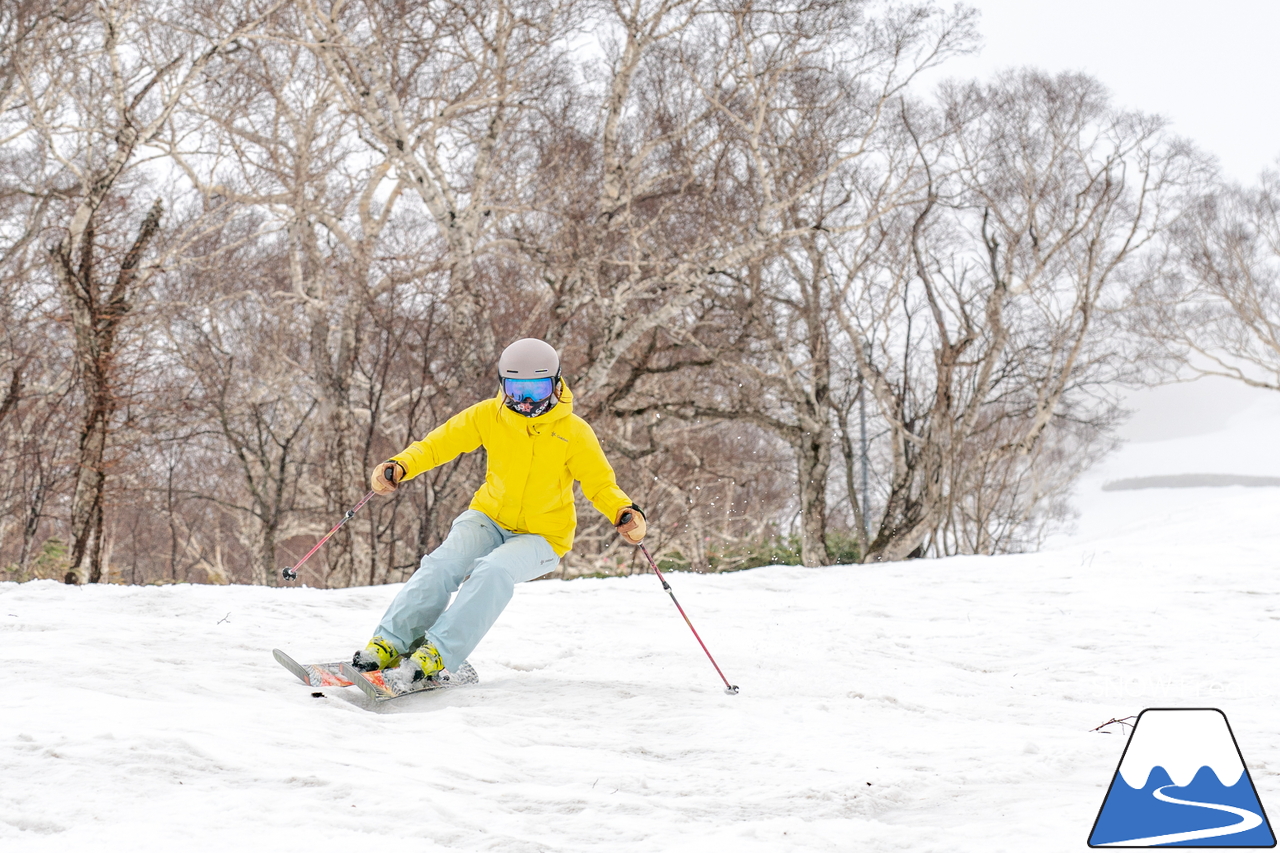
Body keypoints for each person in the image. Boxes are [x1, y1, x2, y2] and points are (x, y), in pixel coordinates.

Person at [353, 338, 647, 688]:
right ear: (502, 384)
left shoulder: (574, 432)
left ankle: (437, 653)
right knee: (443, 564)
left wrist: (624, 511)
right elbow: (439, 444)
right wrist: (401, 465)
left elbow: (600, 484)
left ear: (554, 384)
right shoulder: (489, 416)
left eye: (536, 389)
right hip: (488, 518)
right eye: (515, 388)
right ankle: (389, 643)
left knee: (492, 571)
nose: (525, 400)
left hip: (543, 537)